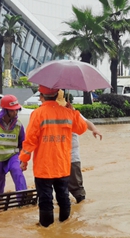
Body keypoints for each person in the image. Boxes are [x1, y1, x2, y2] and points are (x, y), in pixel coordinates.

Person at [19, 85, 88, 227]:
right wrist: (73, 110)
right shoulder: (67, 113)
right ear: (57, 95)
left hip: (43, 167)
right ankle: (65, 226)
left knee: (45, 199)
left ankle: (46, 229)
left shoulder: (37, 114)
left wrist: (24, 160)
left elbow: (30, 140)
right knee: (63, 197)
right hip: (62, 165)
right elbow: (82, 129)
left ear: (41, 97)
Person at [56, 90, 102, 203]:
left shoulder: (74, 114)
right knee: (60, 188)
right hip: (58, 157)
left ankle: (80, 205)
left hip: (72, 156)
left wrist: (95, 129)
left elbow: (87, 123)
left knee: (77, 189)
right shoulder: (53, 115)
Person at [0, 95, 27, 198]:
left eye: (16, 110)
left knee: (17, 172)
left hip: (13, 156)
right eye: (12, 111)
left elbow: (22, 144)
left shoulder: (19, 125)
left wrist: (23, 160)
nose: (15, 113)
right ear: (5, 110)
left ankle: (23, 199)